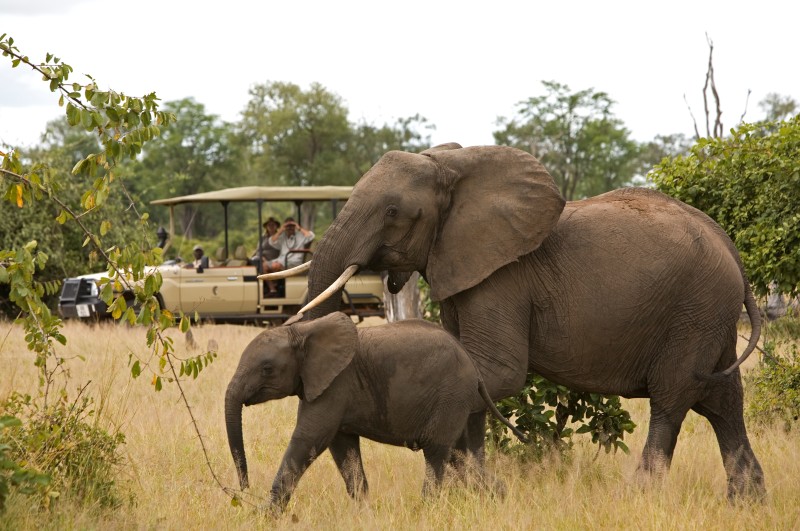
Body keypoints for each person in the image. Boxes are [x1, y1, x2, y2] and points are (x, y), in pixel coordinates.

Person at [262, 217, 315, 295]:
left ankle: (279, 286)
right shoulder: (283, 236)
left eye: (292, 226)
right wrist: (281, 229)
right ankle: (273, 289)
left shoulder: (300, 235)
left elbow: (311, 236)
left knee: (275, 266)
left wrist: (298, 227)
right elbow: (272, 241)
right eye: (288, 226)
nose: (290, 228)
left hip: (294, 262)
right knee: (264, 266)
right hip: (282, 260)